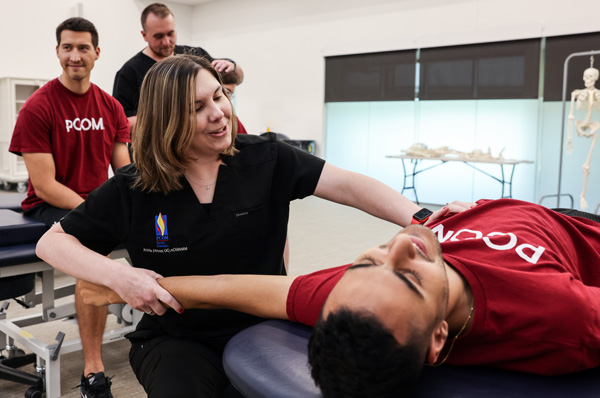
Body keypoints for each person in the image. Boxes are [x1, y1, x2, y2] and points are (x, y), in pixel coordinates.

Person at [36, 54, 432, 398]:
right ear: (168, 118)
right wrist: (120, 278)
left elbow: (349, 184)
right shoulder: (135, 184)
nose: (218, 112)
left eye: (219, 96)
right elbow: (52, 244)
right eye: (196, 107)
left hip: (266, 324)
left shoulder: (267, 158)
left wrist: (423, 218)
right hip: (177, 337)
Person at [75, 199, 600, 397]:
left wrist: (125, 282)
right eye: (409, 275)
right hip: (574, 226)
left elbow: (245, 289)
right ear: (438, 337)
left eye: (366, 259)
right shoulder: (562, 318)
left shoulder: (355, 297)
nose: (399, 244)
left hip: (470, 210)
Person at [8, 17, 130, 398]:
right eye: (67, 47)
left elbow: (123, 169)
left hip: (95, 202)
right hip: (50, 205)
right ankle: (93, 371)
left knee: (164, 228)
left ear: (97, 52)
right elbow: (44, 184)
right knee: (93, 246)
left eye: (82, 48)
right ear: (58, 51)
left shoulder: (110, 107)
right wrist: (97, 211)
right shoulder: (38, 107)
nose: (74, 56)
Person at [113, 2, 244, 133]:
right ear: (144, 35)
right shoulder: (129, 72)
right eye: (158, 36)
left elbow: (237, 78)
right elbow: (122, 123)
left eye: (170, 33)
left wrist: (233, 65)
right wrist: (170, 114)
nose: (166, 42)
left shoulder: (194, 54)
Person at [567, 64, 600, 210]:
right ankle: (582, 196)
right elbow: (573, 112)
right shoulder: (577, 93)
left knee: (587, 165)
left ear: (595, 79)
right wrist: (569, 139)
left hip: (593, 126)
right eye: (585, 77)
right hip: (580, 126)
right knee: (585, 165)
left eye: (590, 77)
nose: (587, 80)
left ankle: (583, 195)